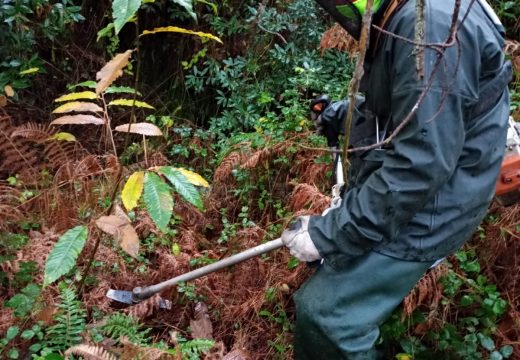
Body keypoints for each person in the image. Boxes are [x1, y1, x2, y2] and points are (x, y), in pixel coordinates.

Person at [280, 0, 512, 358]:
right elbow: (415, 109)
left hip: (437, 198)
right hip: (431, 176)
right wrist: (348, 115)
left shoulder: (429, 27)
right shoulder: (408, 14)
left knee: (328, 317)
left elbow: (421, 164)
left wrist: (330, 233)